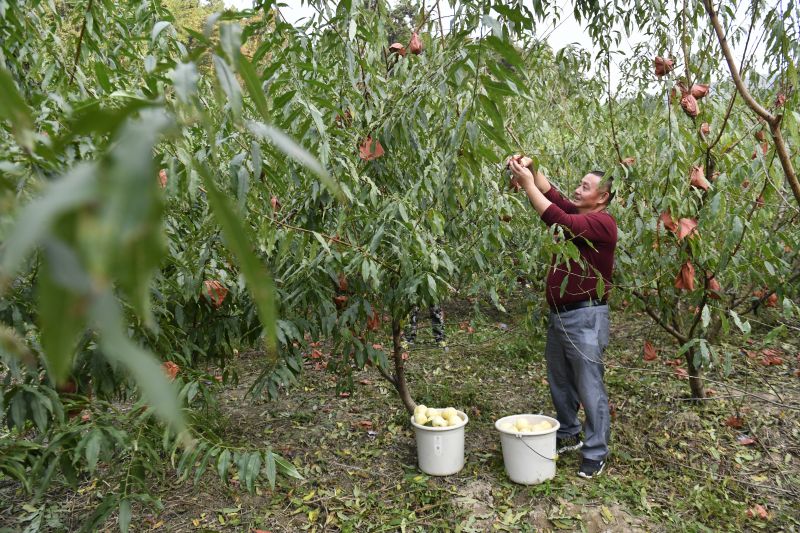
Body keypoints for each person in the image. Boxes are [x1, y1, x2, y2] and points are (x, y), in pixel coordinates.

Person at [508, 157, 617, 479]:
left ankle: (596, 450)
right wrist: (530, 166)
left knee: (589, 385)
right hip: (561, 316)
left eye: (586, 187)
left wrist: (527, 185)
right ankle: (569, 432)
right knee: (560, 380)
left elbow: (556, 216)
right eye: (579, 184)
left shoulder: (603, 224)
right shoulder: (578, 213)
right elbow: (553, 195)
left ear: (603, 198)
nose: (577, 189)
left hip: (586, 316)